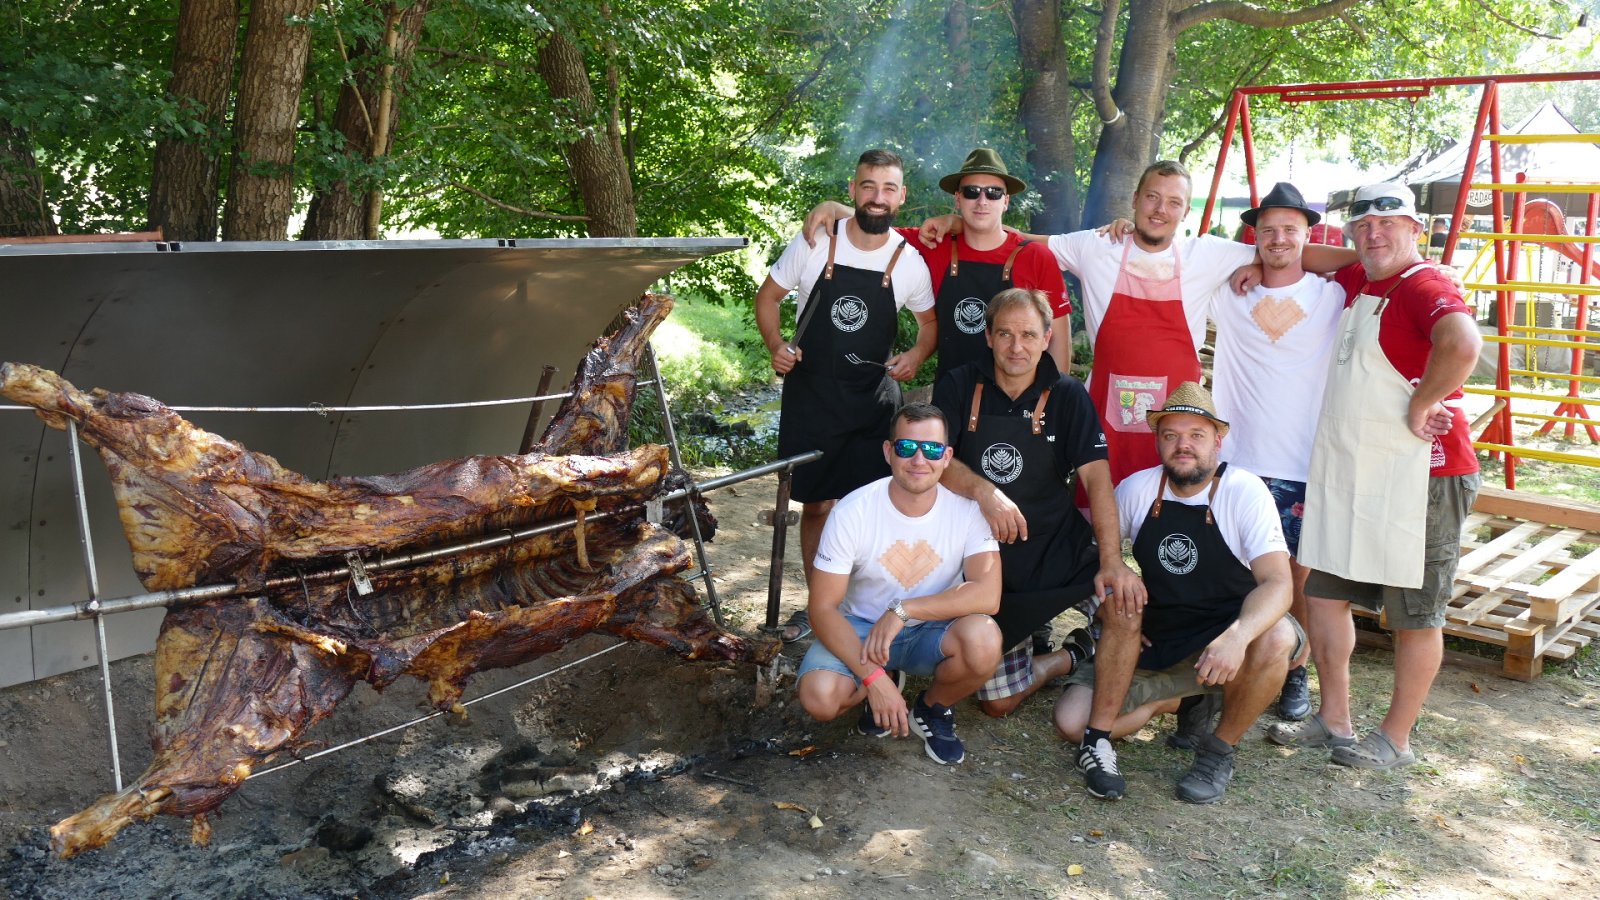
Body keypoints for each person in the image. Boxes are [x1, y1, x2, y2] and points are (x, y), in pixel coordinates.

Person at [921, 160, 1355, 487]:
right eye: (1152, 197)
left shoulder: (1209, 254)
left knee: (1171, 514)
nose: (1160, 210)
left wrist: (1369, 262)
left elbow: (1288, 253)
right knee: (1098, 509)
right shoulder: (1096, 246)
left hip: (1178, 414)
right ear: (1135, 199)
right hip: (1104, 413)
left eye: (1173, 202)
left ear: (1186, 211)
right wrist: (960, 222)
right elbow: (1019, 242)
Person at [1269, 184, 1482, 770]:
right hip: (1353, 469)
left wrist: (1424, 403)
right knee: (1325, 594)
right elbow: (1304, 254)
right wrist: (1258, 263)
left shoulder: (1424, 286)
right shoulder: (1362, 278)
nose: (1374, 235)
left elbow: (1463, 342)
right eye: (1363, 227)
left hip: (1423, 476)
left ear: (1418, 230)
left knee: (1415, 613)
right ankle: (1333, 718)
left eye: (1390, 225)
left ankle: (1394, 738)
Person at [1055, 383, 1299, 803]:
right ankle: (1181, 700)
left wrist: (1237, 637)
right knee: (1072, 723)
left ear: (1217, 441)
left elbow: (1278, 583)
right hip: (1162, 635)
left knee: (1276, 637)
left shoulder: (1243, 491)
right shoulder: (1137, 490)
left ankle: (1218, 750)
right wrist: (1110, 612)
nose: (1183, 446)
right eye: (1171, 435)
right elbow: (1093, 560)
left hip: (1225, 634)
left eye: (1196, 436)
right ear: (1158, 441)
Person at [929, 288, 1145, 717]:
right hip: (987, 562)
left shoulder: (1067, 396)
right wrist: (985, 491)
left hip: (1056, 548)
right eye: (1005, 334)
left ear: (1047, 337)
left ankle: (1102, 708)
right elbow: (937, 460)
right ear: (988, 336)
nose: (1016, 347)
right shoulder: (958, 383)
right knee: (997, 702)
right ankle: (1066, 657)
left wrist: (1112, 560)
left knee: (1125, 608)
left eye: (1028, 335)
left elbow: (1097, 480)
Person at [755, 149, 936, 604]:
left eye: (888, 188)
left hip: (872, 406)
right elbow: (768, 298)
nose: (877, 197)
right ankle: (821, 606)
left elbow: (930, 325)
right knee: (816, 505)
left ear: (901, 197)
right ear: (853, 190)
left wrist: (916, 353)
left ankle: (863, 604)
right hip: (811, 397)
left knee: (870, 509)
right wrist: (776, 345)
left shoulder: (909, 260)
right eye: (868, 186)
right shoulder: (816, 241)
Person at [794, 403, 1004, 766]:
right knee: (820, 699)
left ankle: (932, 708)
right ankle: (883, 678)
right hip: (861, 629)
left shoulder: (969, 512)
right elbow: (822, 608)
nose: (919, 459)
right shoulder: (852, 511)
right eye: (907, 447)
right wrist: (874, 678)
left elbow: (988, 594)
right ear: (888, 452)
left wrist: (904, 611)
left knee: (984, 639)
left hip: (931, 629)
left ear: (947, 456)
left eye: (932, 449)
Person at [1209, 182, 1347, 722]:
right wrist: (1245, 262)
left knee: (1299, 581)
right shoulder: (1228, 292)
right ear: (1253, 236)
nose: (1278, 239)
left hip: (1302, 463)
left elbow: (1370, 260)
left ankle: (1295, 674)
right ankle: (1231, 664)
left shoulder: (1331, 294)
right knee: (1233, 573)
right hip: (1236, 461)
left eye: (1291, 229)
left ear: (1309, 234)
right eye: (1267, 231)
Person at [800, 148, 1073, 376]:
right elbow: (876, 224)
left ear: (1006, 201)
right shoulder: (933, 244)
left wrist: (1054, 402)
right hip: (952, 398)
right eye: (971, 191)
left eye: (993, 193)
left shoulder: (1036, 257)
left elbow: (1059, 339)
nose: (982, 200)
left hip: (1019, 399)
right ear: (957, 199)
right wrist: (833, 208)